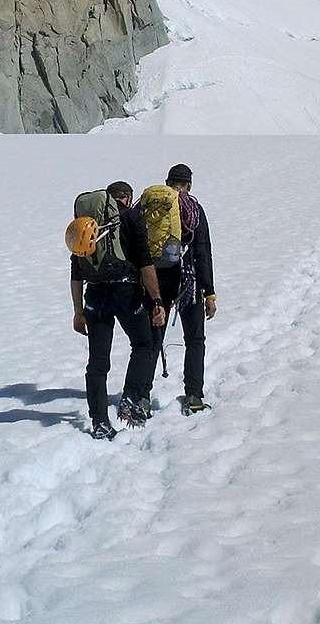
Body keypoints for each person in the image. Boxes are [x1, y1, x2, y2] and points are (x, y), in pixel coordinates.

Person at [71, 181, 165, 439]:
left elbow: (76, 272)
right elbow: (145, 263)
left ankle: (100, 421)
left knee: (98, 362)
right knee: (144, 344)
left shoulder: (89, 226)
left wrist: (78, 311)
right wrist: (156, 300)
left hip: (95, 296)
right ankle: (131, 398)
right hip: (126, 293)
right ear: (127, 198)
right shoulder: (132, 219)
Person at [152, 163, 217, 414]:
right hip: (188, 281)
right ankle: (193, 395)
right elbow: (202, 251)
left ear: (167, 182)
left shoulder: (154, 208)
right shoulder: (194, 210)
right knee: (195, 339)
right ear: (188, 185)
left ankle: (141, 396)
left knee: (152, 339)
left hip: (157, 281)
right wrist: (209, 292)